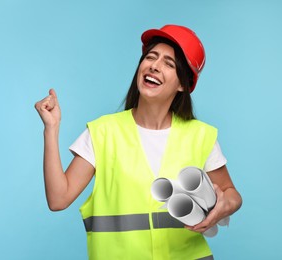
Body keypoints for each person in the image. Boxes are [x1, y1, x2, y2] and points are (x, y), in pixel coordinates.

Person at [35, 24, 242, 260]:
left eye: (169, 63)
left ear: (183, 84)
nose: (154, 65)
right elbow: (58, 199)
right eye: (150, 57)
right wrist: (51, 129)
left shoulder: (201, 135)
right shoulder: (103, 132)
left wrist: (225, 207)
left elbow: (232, 194)